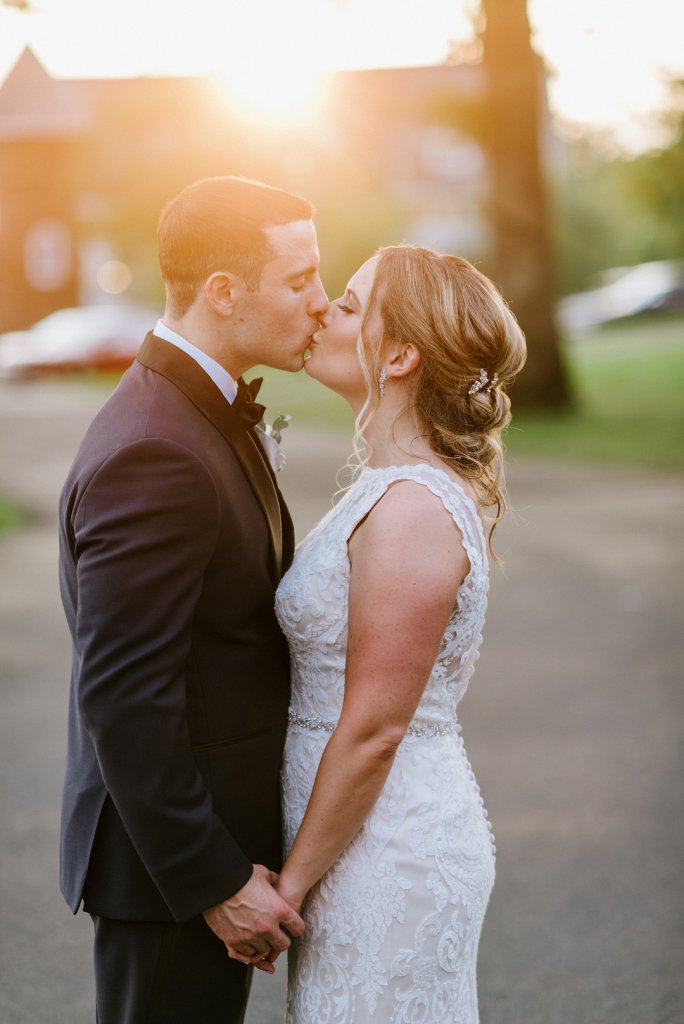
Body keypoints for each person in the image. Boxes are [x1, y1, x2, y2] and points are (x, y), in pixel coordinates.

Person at [58, 175, 329, 1024]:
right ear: (223, 292)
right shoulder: (157, 452)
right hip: (173, 877)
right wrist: (213, 879)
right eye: (300, 281)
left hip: (204, 856)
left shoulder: (191, 412)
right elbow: (125, 697)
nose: (321, 304)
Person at [236, 245, 526, 1021]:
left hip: (385, 852)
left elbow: (374, 729)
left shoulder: (412, 511)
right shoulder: (385, 487)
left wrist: (287, 892)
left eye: (353, 304)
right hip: (350, 845)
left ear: (400, 355)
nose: (327, 309)